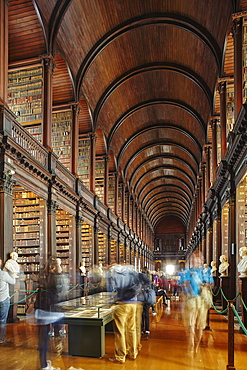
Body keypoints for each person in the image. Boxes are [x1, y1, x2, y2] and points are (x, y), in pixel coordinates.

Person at [35, 256, 69, 370]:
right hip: (53, 310)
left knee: (43, 338)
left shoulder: (44, 277)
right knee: (58, 336)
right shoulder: (57, 278)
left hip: (43, 310)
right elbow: (61, 293)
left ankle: (43, 364)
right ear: (53, 267)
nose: (61, 267)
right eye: (58, 265)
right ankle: (62, 363)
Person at [107, 264, 142, 364]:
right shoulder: (132, 272)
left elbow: (111, 288)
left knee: (120, 331)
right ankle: (133, 353)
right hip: (133, 303)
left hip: (121, 303)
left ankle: (120, 356)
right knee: (132, 329)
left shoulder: (113, 273)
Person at [181, 250, 213, 353]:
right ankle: (191, 343)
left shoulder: (206, 271)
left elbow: (211, 284)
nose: (197, 261)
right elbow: (183, 284)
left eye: (199, 259)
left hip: (202, 300)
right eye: (195, 259)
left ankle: (197, 346)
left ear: (201, 260)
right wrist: (187, 285)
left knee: (200, 325)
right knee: (191, 323)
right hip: (191, 299)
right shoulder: (187, 272)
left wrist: (205, 284)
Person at [0, 258, 16, 345]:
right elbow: (13, 282)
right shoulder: (2, 274)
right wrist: (12, 273)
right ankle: (1, 339)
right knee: (2, 320)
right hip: (3, 298)